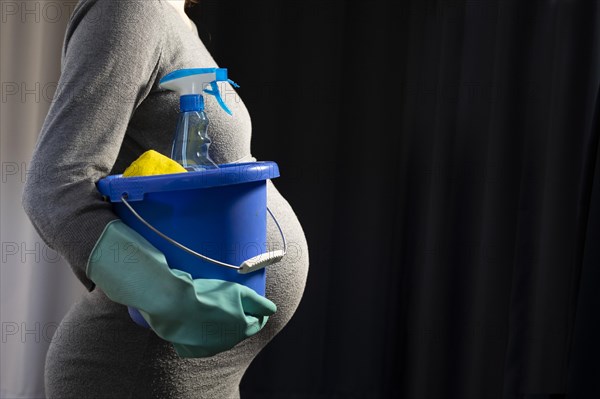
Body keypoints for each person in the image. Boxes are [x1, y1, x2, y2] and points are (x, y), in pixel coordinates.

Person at [21, 0, 309, 397]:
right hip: (137, 369)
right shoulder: (127, 9)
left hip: (199, 372)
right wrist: (172, 298)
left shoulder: (177, 20)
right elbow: (55, 186)